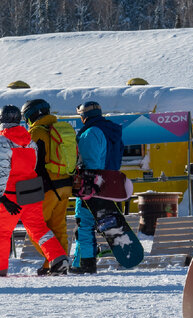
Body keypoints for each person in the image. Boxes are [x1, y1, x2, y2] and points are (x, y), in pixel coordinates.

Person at [1, 105, 69, 277]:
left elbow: (2, 171)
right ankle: (59, 258)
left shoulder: (3, 141)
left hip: (10, 195)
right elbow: (33, 166)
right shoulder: (29, 140)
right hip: (31, 192)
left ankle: (1, 269)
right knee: (39, 228)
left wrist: (1, 197)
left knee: (2, 232)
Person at [22, 98, 77, 275]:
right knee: (58, 226)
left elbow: (32, 163)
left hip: (46, 187)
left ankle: (56, 259)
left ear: (30, 116)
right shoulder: (59, 128)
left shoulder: (36, 132)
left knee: (35, 227)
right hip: (65, 185)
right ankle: (55, 264)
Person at [71, 100, 124, 274]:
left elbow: (91, 163)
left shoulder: (91, 133)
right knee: (107, 221)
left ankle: (85, 263)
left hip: (91, 184)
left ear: (84, 116)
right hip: (112, 183)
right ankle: (123, 254)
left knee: (84, 224)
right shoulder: (113, 131)